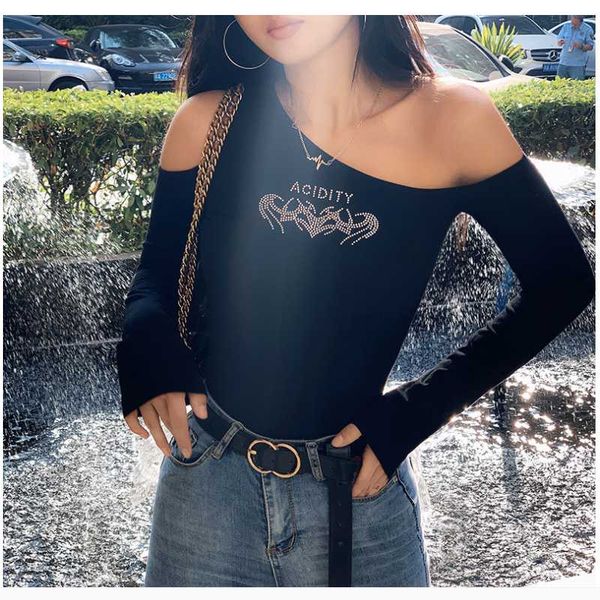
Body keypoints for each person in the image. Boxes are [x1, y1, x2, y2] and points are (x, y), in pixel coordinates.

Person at [115, 16, 595, 587]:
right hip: (206, 486)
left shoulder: (451, 118)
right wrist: (144, 342)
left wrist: (417, 410)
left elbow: (563, 283)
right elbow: (156, 277)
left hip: (358, 494)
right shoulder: (208, 119)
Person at [556, 15, 594, 80]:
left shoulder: (587, 29)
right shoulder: (566, 26)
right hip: (563, 62)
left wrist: (581, 46)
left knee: (577, 84)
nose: (571, 22)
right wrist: (560, 42)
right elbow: (559, 40)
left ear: (579, 20)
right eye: (572, 18)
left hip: (577, 65)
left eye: (574, 19)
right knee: (560, 84)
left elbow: (590, 46)